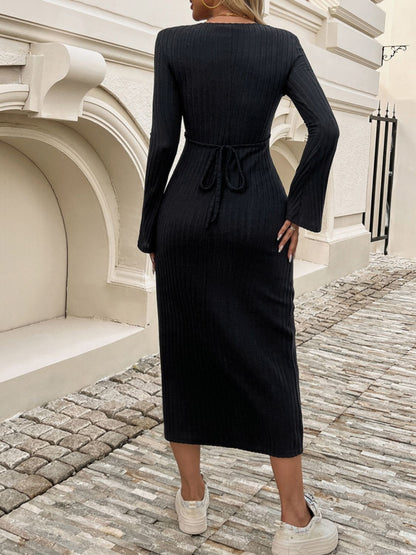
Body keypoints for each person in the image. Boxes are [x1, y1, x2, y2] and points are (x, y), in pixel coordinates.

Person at [137, 1, 340, 553]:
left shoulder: (173, 41)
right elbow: (325, 127)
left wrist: (151, 227)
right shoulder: (280, 44)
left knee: (184, 348)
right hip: (260, 218)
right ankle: (294, 522)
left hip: (183, 212)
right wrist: (299, 209)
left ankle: (194, 500)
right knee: (271, 353)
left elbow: (162, 142)